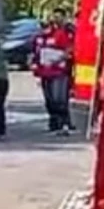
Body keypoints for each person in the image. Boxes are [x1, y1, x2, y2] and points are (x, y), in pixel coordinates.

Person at [33, 7, 74, 135]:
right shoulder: (39, 38)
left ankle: (63, 124)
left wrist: (57, 59)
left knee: (59, 99)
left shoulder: (61, 34)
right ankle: (54, 124)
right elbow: (36, 54)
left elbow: (69, 51)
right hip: (45, 73)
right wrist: (35, 66)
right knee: (49, 100)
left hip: (59, 72)